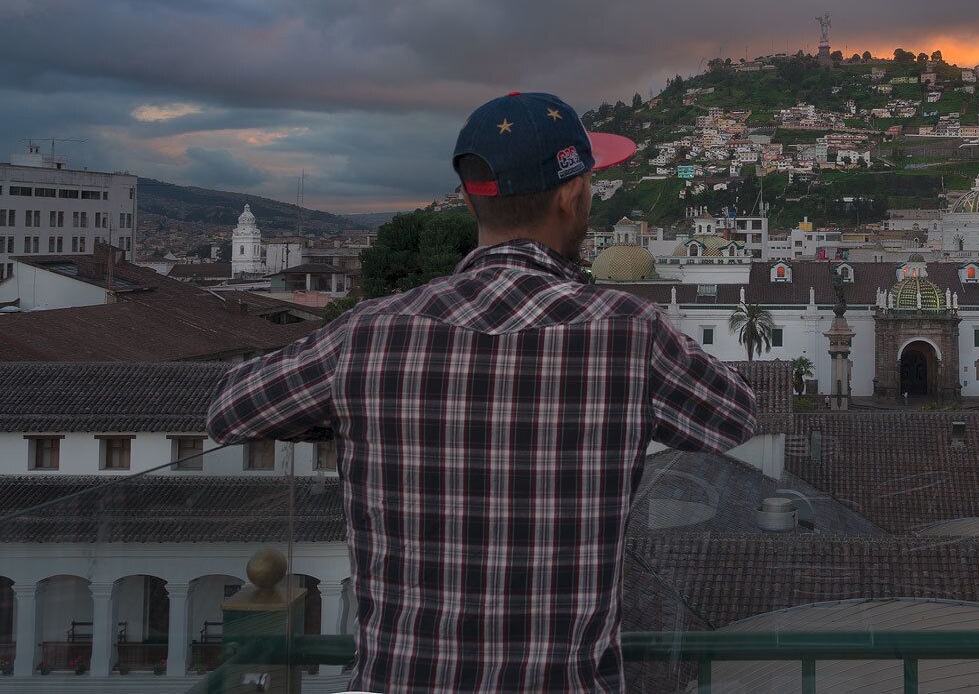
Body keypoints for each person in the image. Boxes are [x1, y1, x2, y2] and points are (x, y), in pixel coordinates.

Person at [207, 91, 757, 693]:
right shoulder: (628, 331)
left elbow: (230, 409)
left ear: (471, 198)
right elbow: (734, 416)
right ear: (573, 196)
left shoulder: (368, 334)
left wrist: (345, 411)